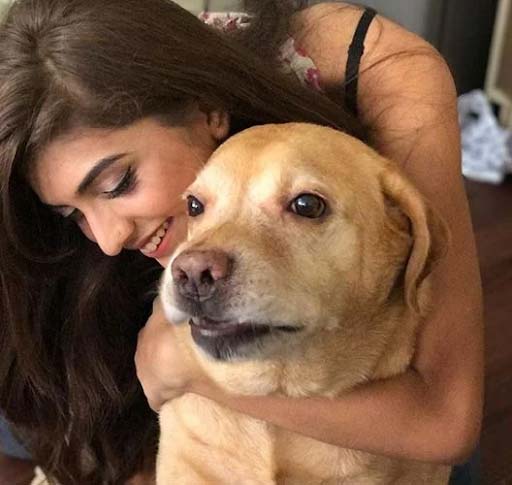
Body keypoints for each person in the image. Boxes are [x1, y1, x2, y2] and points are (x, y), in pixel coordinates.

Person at [0, 0, 483, 483]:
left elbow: (446, 423)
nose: (108, 240)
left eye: (119, 182)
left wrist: (187, 367)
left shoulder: (382, 67)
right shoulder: (91, 242)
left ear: (208, 109)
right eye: (72, 214)